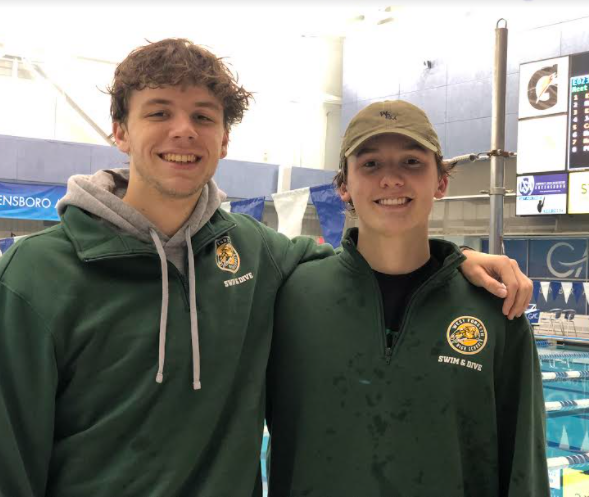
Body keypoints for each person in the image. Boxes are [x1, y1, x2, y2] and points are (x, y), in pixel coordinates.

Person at [0, 39, 532, 497]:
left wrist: (456, 259)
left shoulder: (258, 253)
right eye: (159, 112)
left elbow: (373, 263)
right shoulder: (38, 274)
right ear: (119, 130)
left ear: (224, 139)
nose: (183, 131)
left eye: (203, 116)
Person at [266, 101, 549, 496]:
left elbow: (525, 464)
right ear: (343, 186)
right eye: (370, 164)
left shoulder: (496, 307)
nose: (392, 179)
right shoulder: (291, 296)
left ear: (441, 181)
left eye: (412, 162)